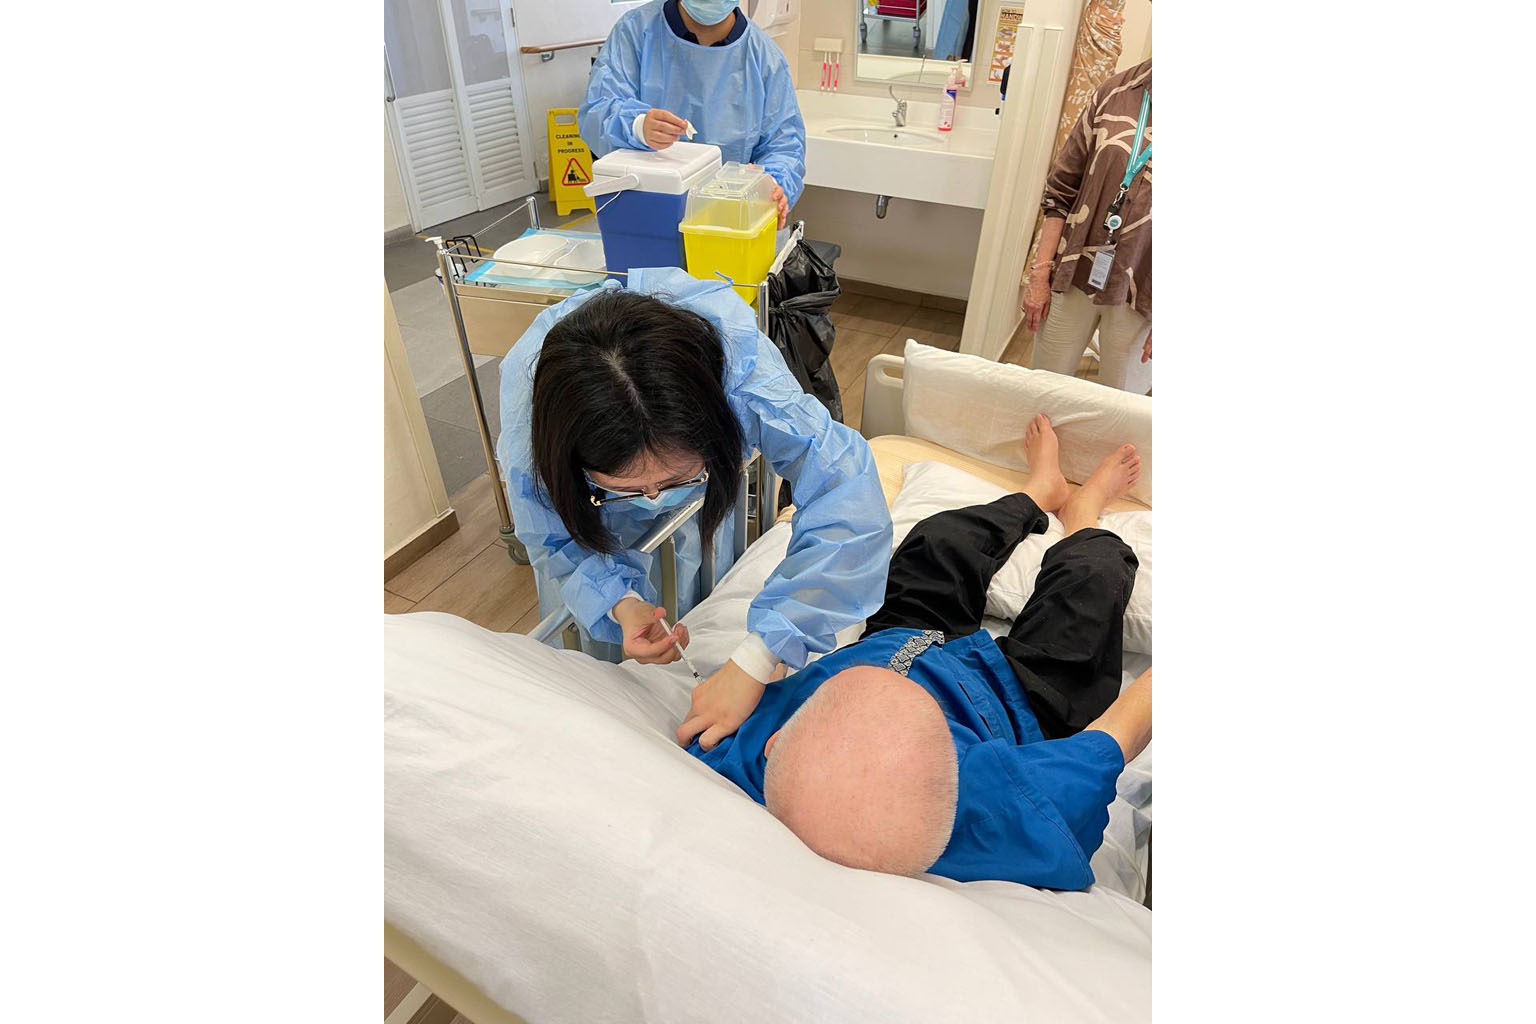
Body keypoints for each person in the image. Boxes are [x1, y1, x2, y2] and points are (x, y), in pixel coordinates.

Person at [689, 414, 1152, 888]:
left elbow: (708, 715)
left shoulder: (740, 750)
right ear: (959, 769)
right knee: (1093, 580)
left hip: (895, 641)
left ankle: (1038, 493)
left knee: (938, 541)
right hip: (1021, 704)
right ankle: (1083, 517)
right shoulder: (1016, 812)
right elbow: (1120, 731)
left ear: (774, 742)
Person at [496, 267, 892, 748]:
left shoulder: (742, 377)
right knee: (605, 702)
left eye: (676, 479)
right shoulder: (532, 418)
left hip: (699, 501)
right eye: (629, 486)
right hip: (592, 524)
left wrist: (761, 655)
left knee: (693, 571)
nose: (655, 499)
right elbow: (553, 536)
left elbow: (844, 487)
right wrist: (619, 603)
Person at [578, 1, 805, 228]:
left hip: (728, 222)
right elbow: (597, 111)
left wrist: (772, 187)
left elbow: (784, 145)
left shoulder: (764, 57)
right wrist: (637, 126)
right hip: (645, 213)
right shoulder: (637, 31)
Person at [1024, 59, 1153, 395]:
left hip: (1147, 293)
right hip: (1075, 272)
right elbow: (1060, 190)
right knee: (1042, 394)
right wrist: (1039, 275)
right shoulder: (1115, 92)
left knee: (1119, 413)